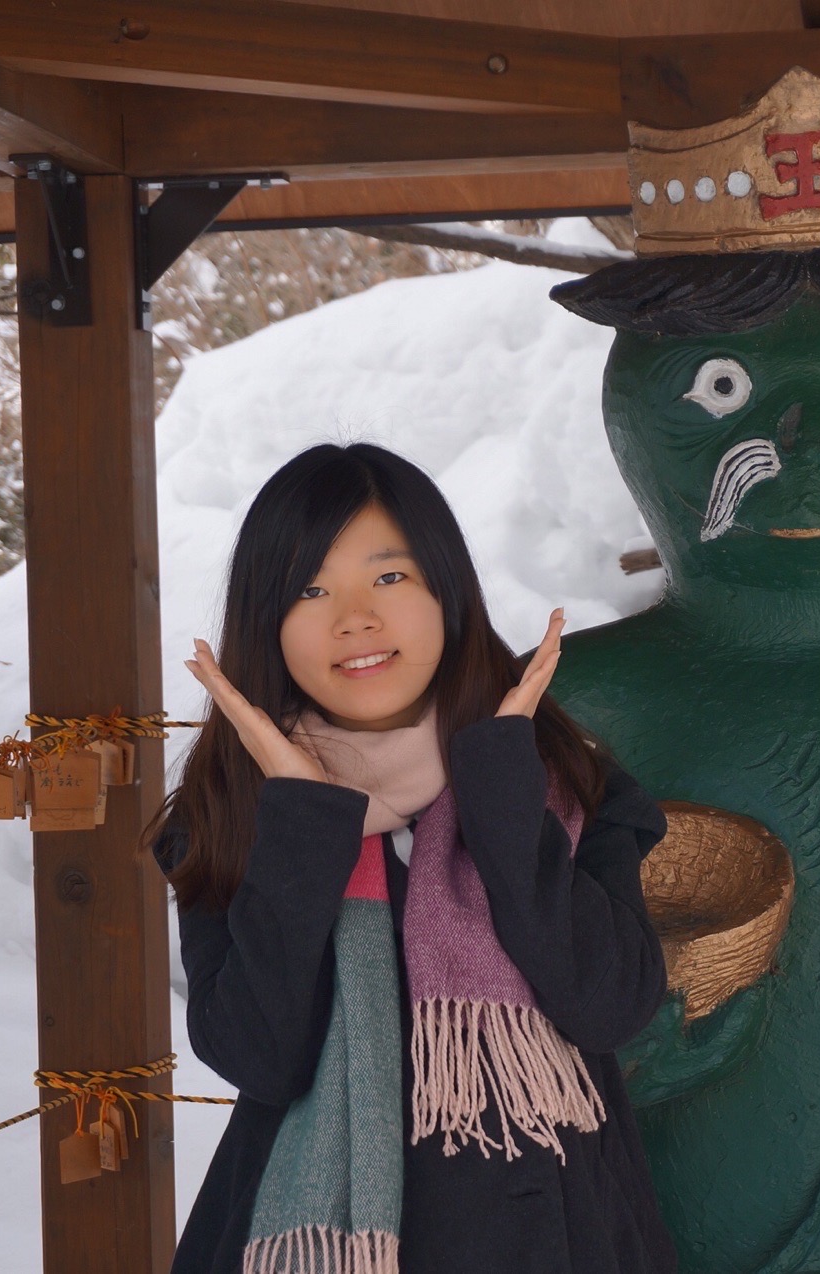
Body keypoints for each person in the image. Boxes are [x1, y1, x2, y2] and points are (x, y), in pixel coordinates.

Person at [150, 442, 676, 1274]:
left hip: (554, 1239)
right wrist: (302, 818)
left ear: (446, 591)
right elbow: (260, 1058)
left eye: (389, 578)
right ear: (265, 621)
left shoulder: (564, 785)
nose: (354, 617)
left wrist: (502, 789)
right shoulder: (234, 816)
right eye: (310, 590)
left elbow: (609, 1005)